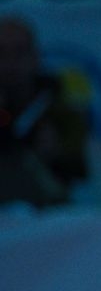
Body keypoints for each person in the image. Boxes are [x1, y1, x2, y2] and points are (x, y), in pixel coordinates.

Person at [0, 16, 88, 208]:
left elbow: (86, 165)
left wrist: (58, 153)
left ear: (35, 57)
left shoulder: (62, 109)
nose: (10, 62)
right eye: (2, 53)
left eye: (19, 52)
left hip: (47, 216)